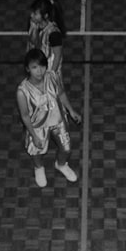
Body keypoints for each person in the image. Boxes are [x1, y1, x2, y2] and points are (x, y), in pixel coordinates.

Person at [16, 48, 81, 188]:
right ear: (27, 69)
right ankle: (39, 168)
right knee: (37, 151)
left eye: (42, 66)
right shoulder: (22, 91)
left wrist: (71, 111)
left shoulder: (52, 76)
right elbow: (25, 116)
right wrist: (33, 135)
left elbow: (61, 94)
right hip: (38, 127)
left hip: (58, 121)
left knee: (66, 148)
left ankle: (61, 164)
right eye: (34, 67)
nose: (39, 71)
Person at [26, 0, 69, 93]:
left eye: (35, 14)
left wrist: (51, 74)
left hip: (49, 70)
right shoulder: (34, 25)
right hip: (38, 68)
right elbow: (33, 42)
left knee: (56, 96)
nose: (31, 15)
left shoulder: (54, 33)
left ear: (45, 15)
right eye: (32, 12)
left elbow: (57, 56)